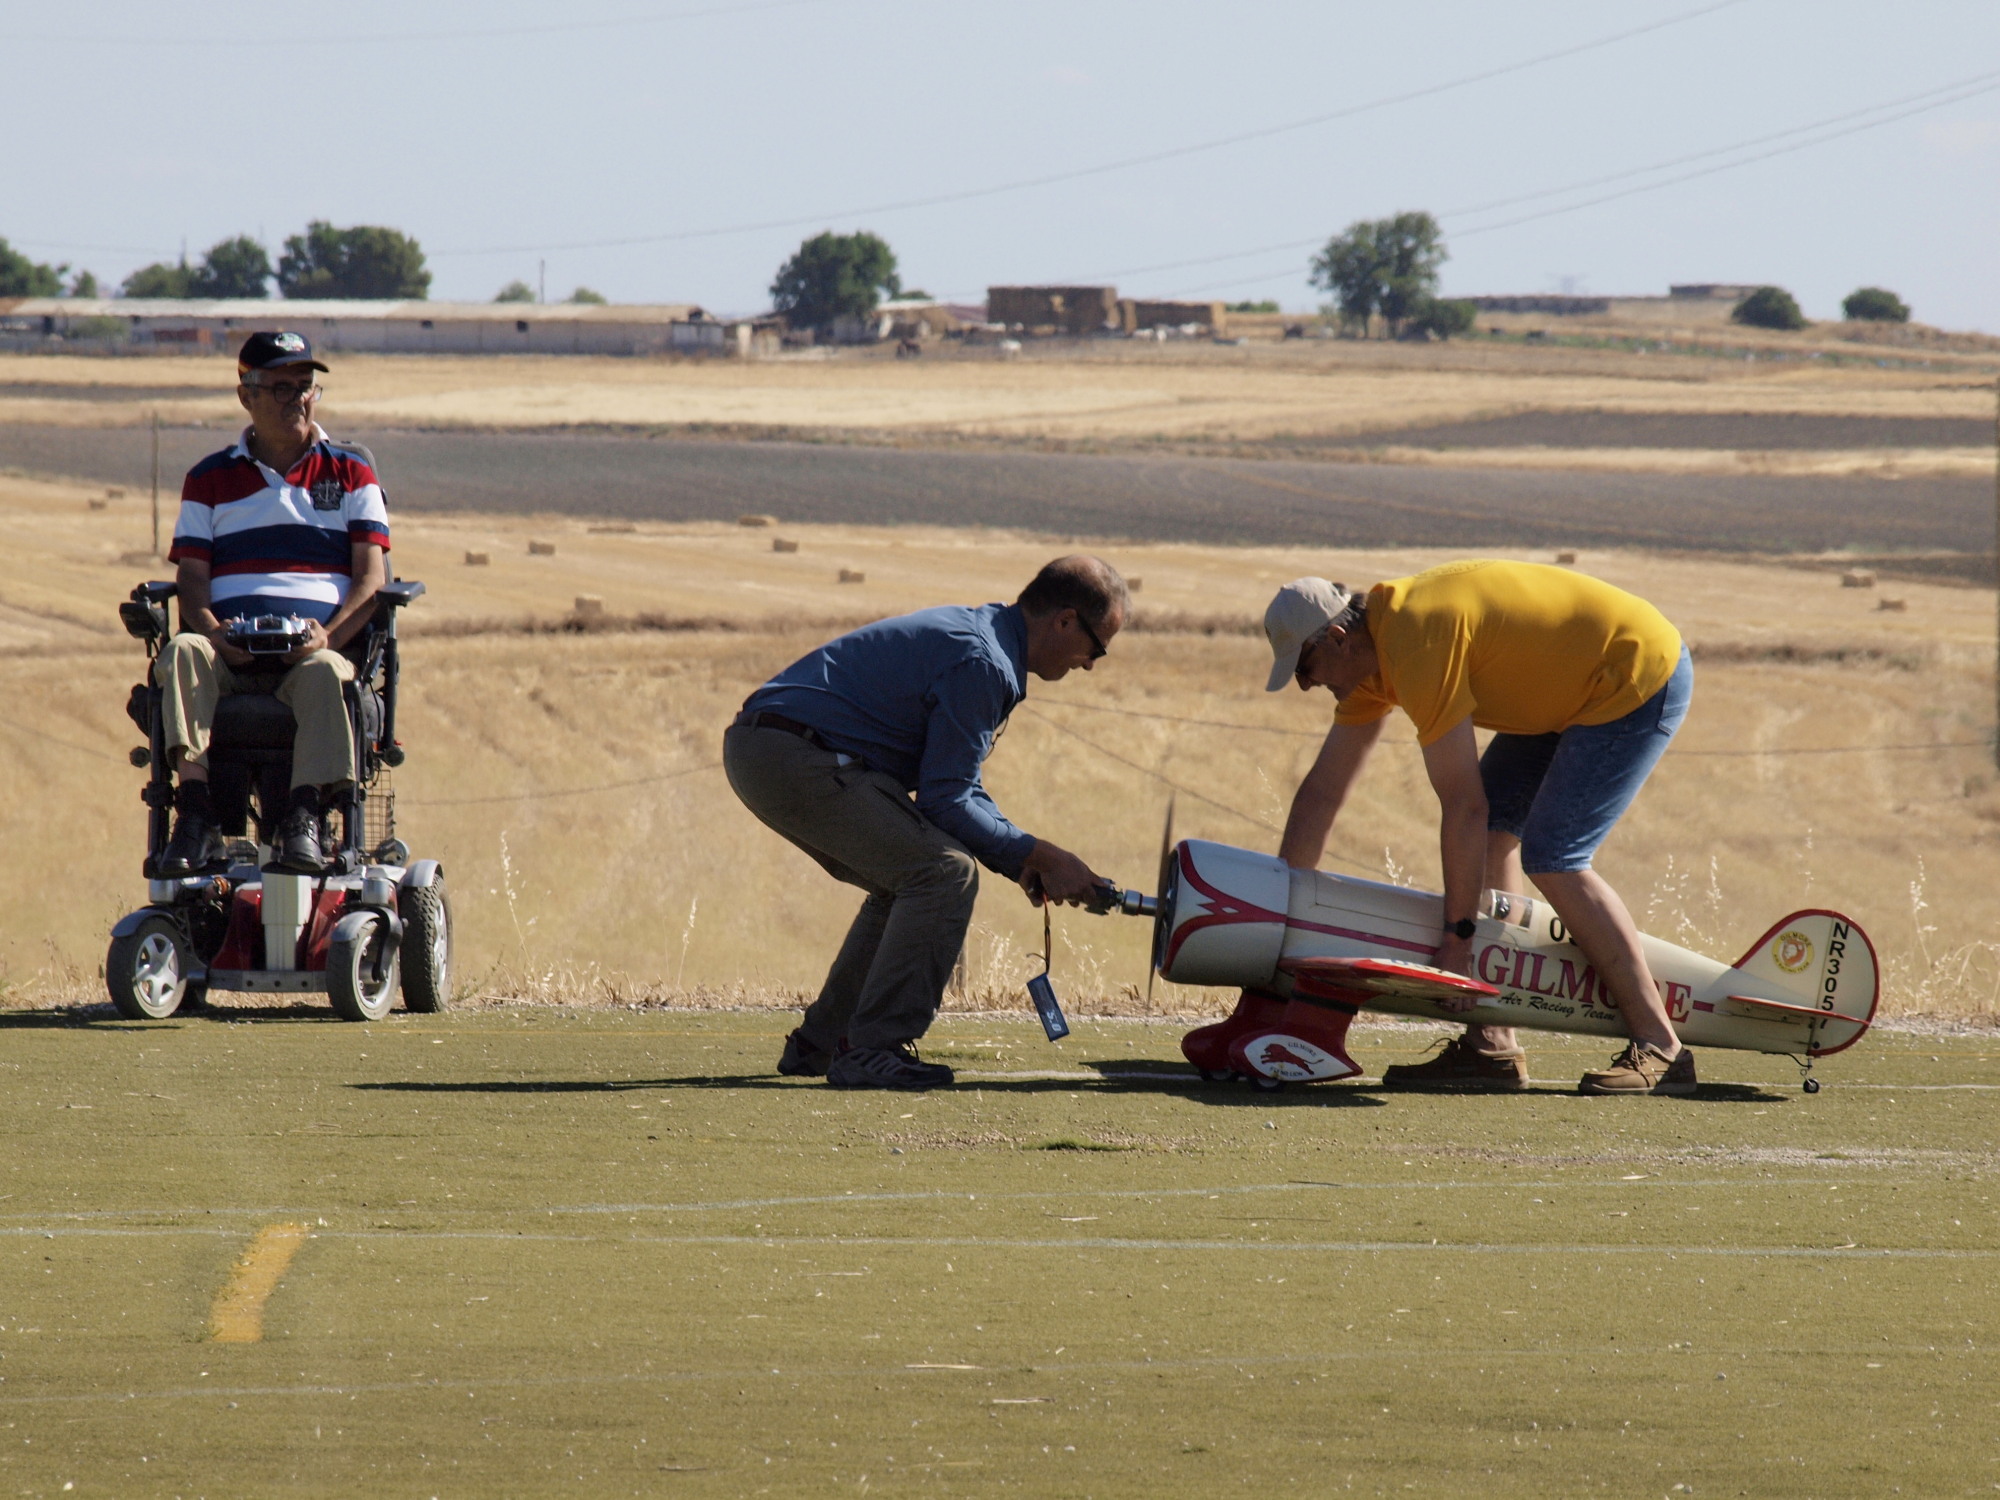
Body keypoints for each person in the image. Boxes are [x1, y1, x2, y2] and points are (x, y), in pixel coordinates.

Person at [1264, 560, 1696, 1096]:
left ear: (1337, 638)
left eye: (1304, 667)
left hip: (1634, 670)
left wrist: (1458, 941)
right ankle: (1492, 1043)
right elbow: (1323, 792)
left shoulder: (1416, 643)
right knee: (1494, 836)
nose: (1306, 685)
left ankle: (1662, 1046)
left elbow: (1463, 806)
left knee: (1554, 857)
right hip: (1564, 688)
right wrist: (1278, 911)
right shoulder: (1369, 666)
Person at [724, 556, 1127, 1091]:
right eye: (1097, 648)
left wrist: (1024, 861)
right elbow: (946, 800)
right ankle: (873, 1049)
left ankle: (822, 1043)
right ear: (1065, 621)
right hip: (791, 753)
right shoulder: (983, 662)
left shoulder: (984, 638)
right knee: (942, 873)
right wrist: (1044, 855)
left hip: (767, 748)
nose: (1091, 664)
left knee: (908, 879)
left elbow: (957, 787)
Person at [155, 331, 390, 877]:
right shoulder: (208, 479)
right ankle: (196, 814)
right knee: (182, 651)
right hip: (228, 656)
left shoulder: (352, 474)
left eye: (306, 388)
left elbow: (371, 580)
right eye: (282, 389)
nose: (298, 400)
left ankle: (303, 818)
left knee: (329, 671)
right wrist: (213, 632)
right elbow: (191, 579)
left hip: (310, 654)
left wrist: (328, 636)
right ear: (247, 395)